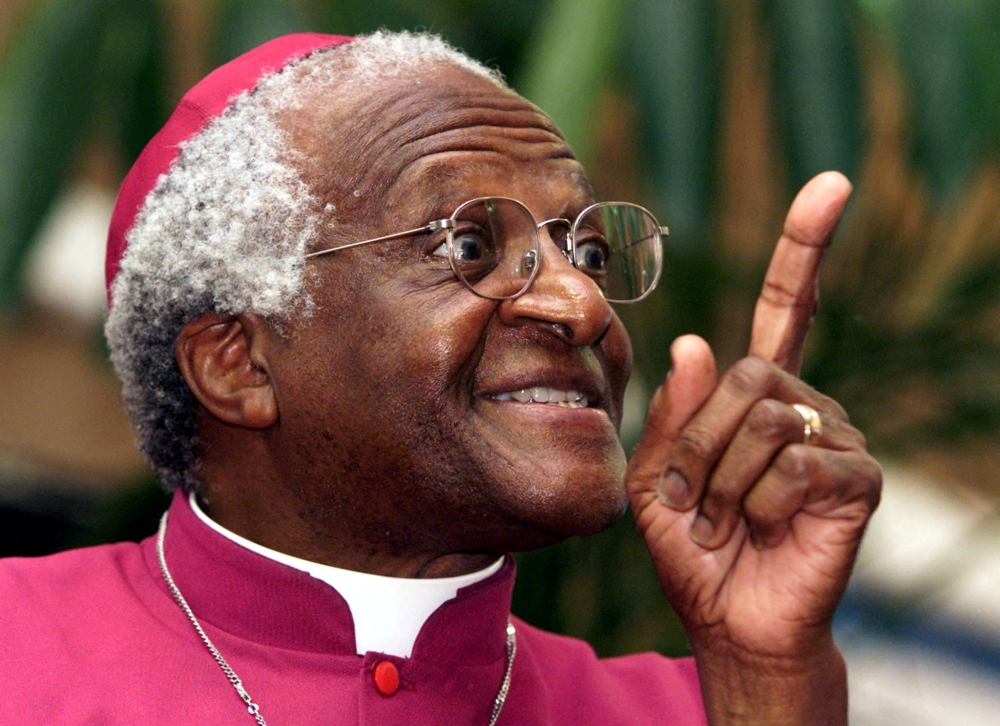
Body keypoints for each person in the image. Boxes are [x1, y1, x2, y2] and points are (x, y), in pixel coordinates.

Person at [0, 31, 881, 725]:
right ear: (237, 364)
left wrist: (771, 678)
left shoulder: (706, 710)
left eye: (584, 249)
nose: (582, 305)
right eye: (467, 244)